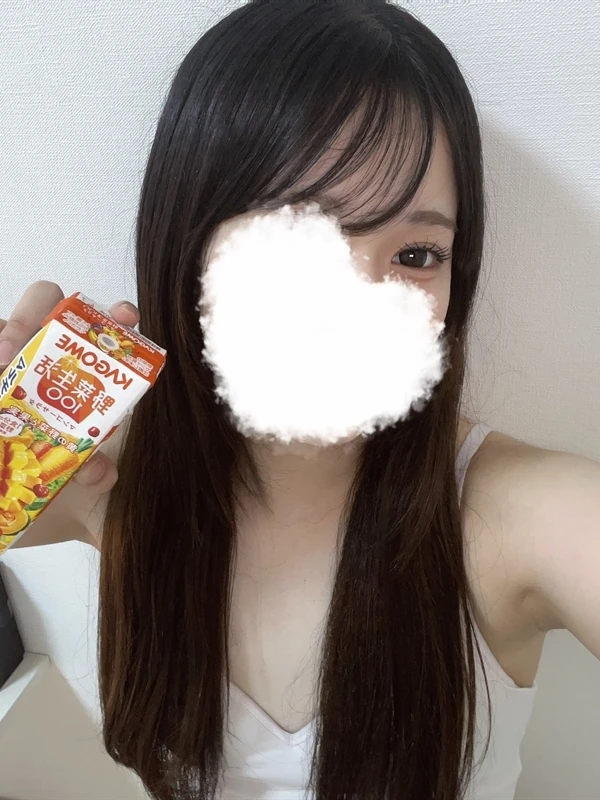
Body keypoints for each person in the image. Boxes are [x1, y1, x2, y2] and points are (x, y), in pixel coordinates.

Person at [1, 2, 599, 799]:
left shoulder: (522, 516)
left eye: (418, 254)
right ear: (188, 244)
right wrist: (16, 432)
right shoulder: (101, 477)